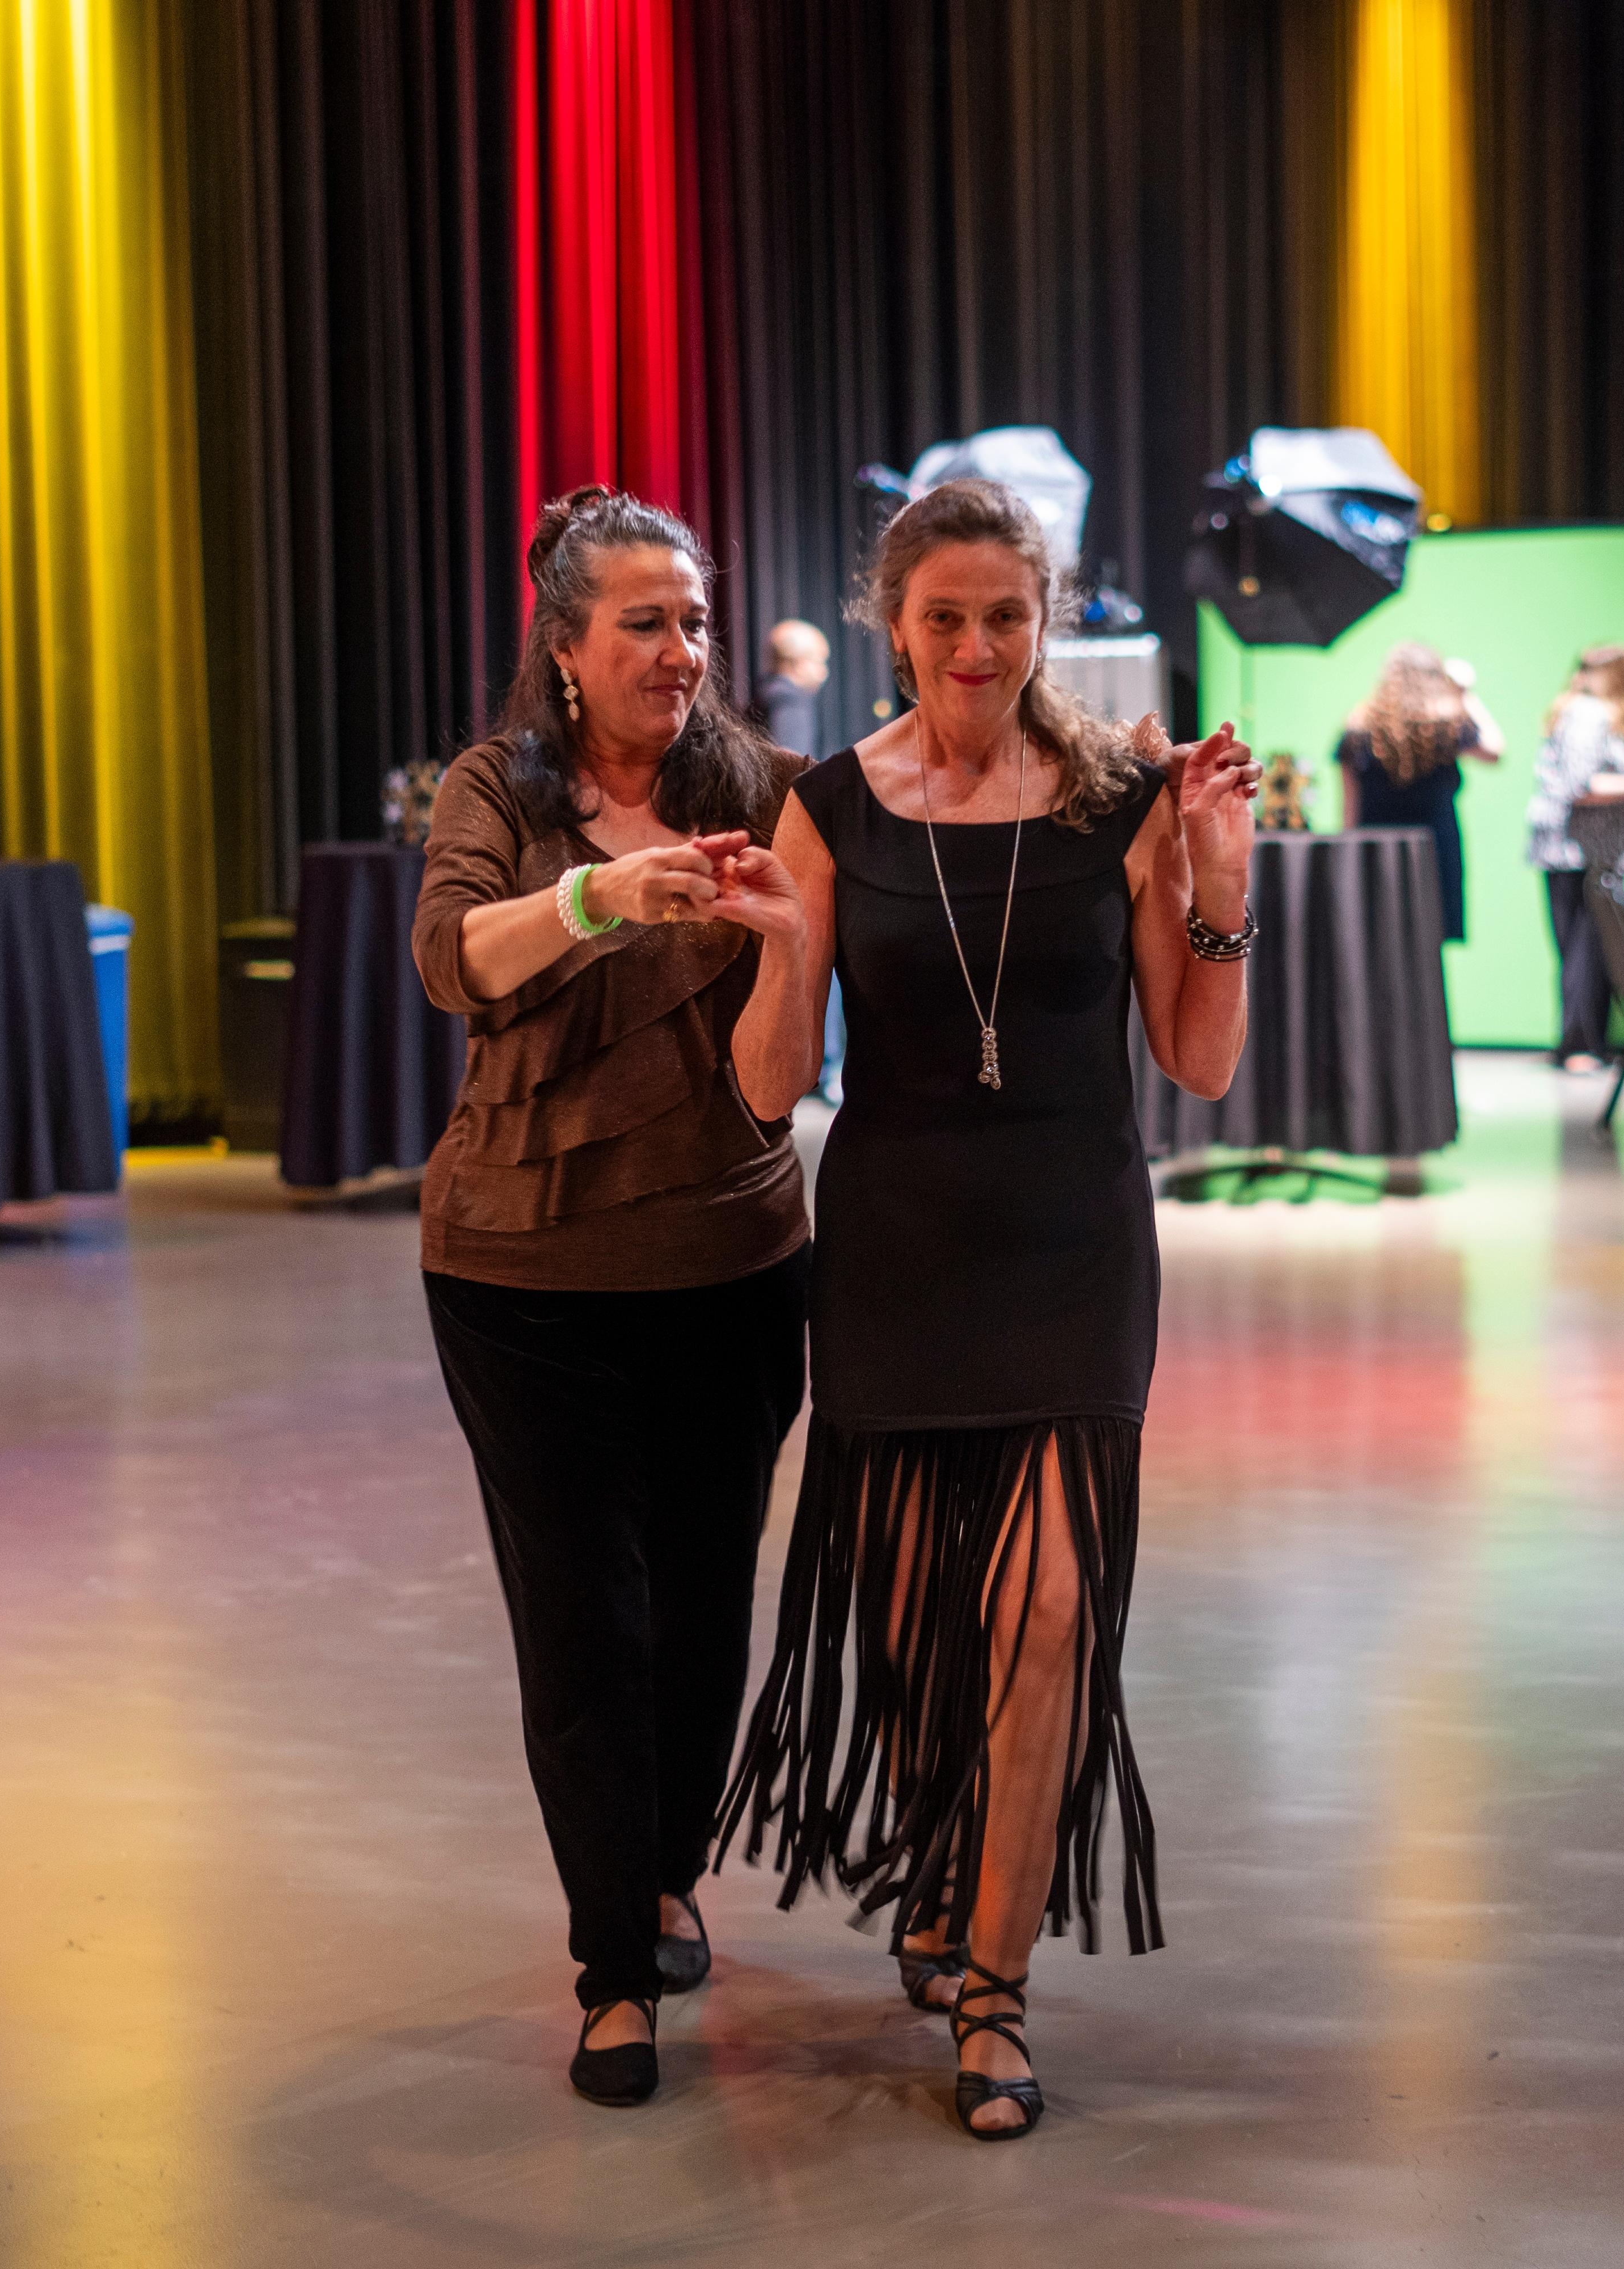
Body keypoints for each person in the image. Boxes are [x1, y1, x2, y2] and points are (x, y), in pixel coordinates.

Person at [719, 478, 1258, 2139]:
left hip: (1070, 1256)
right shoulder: (825, 806)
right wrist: (764, 948)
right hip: (893, 1256)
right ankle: (947, 1875)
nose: (974, 646)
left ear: (1052, 623)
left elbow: (1199, 1057)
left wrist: (1222, 883)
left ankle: (995, 1985)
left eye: (1006, 616)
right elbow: (761, 1087)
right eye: (943, 616)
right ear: (895, 623)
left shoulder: (1125, 801)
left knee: (1042, 1619)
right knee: (921, 1640)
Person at [408, 487, 811, 2108]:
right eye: (642, 621)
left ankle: (667, 1875)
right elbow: (451, 960)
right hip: (524, 1279)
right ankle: (611, 1969)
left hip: (733, 1267)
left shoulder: (771, 792)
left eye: (694, 618)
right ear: (566, 648)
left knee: (708, 1606)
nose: (678, 648)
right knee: (587, 1622)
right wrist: (595, 898)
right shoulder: (498, 789)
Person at [1528, 644, 1624, 1069]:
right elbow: (1583, 784)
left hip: (1579, 851)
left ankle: (1584, 1043)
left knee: (1586, 949)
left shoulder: (1580, 712)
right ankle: (1580, 1046)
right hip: (1579, 851)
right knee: (1586, 950)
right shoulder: (1590, 714)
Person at [1339, 640, 1498, 942]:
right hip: (1433, 850)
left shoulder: (1359, 724)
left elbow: (1350, 807)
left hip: (1374, 851)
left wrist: (1349, 856)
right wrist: (1465, 693)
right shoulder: (1448, 724)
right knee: (1429, 942)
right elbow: (1495, 750)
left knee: (1378, 942)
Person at [759, 619, 829, 754]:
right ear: (798, 662)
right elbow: (793, 764)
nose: (824, 673)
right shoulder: (790, 700)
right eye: (819, 662)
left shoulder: (765, 694)